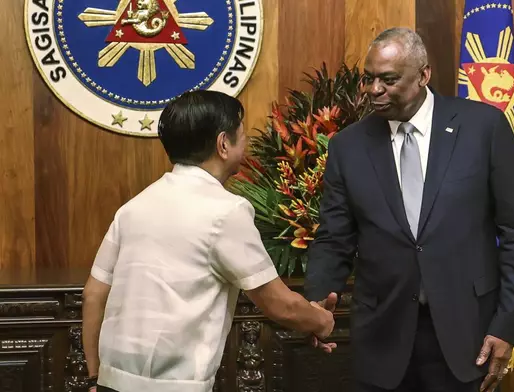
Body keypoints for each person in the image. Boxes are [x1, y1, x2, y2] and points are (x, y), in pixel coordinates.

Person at [304, 27, 514, 392]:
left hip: (467, 334)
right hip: (382, 334)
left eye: (389, 79)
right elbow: (334, 238)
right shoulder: (348, 147)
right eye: (369, 78)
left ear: (423, 75)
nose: (374, 90)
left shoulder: (482, 128)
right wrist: (315, 304)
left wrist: (507, 326)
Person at [81, 90, 336, 392]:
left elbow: (94, 294)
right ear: (223, 144)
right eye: (241, 134)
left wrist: (95, 378)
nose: (247, 142)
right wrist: (321, 322)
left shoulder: (133, 207)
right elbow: (280, 305)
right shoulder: (227, 211)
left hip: (111, 384)